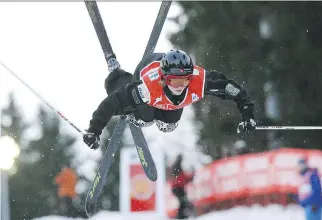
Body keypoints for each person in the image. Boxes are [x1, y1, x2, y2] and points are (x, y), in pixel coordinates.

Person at [83, 49, 256, 149]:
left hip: (168, 100)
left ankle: (163, 112)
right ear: (165, 78)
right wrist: (94, 129)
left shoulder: (199, 82)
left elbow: (232, 89)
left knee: (168, 126)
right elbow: (113, 102)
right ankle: (118, 74)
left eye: (185, 79)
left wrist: (247, 114)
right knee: (145, 118)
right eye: (175, 80)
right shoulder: (148, 87)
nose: (180, 85)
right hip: (144, 76)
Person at [169, 154, 195, 219]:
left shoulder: (176, 166)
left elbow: (180, 178)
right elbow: (181, 179)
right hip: (178, 189)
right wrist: (189, 179)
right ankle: (181, 216)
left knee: (183, 203)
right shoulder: (178, 167)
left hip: (177, 188)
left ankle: (182, 216)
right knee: (183, 203)